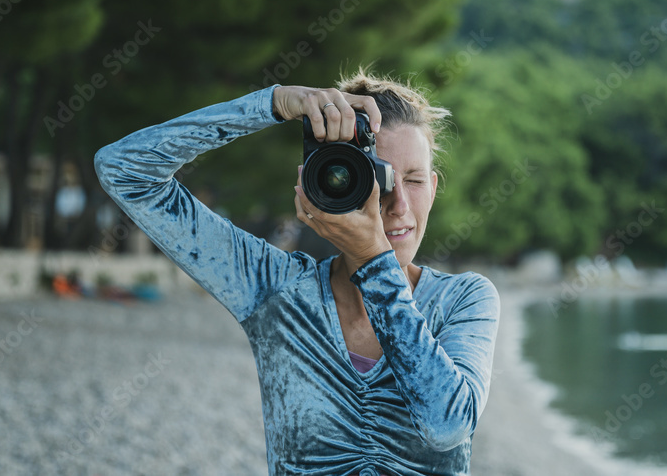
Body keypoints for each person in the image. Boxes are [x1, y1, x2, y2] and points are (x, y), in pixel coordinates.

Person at [94, 68, 500, 476]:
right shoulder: (277, 289)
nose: (397, 204)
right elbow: (123, 169)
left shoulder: (464, 299)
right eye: (377, 177)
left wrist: (372, 261)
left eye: (412, 180)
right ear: (328, 181)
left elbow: (447, 426)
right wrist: (272, 104)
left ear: (433, 187)